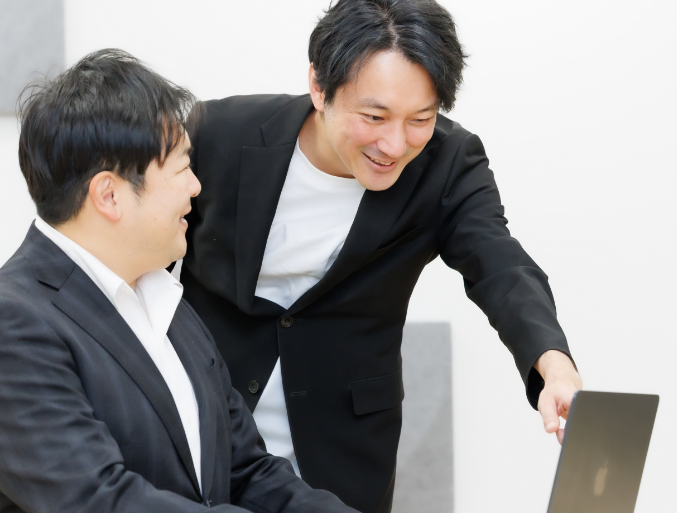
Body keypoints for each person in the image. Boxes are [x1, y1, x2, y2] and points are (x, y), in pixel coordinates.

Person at [179, 0, 585, 511]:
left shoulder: (448, 164)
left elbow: (500, 264)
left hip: (344, 448)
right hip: (206, 422)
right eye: (374, 116)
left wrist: (553, 364)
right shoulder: (217, 133)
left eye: (421, 118)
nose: (394, 145)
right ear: (318, 86)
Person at [0, 49, 356, 513]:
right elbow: (98, 501)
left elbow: (245, 470)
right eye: (181, 169)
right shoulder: (2, 326)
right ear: (109, 195)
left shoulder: (167, 302)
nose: (195, 187)